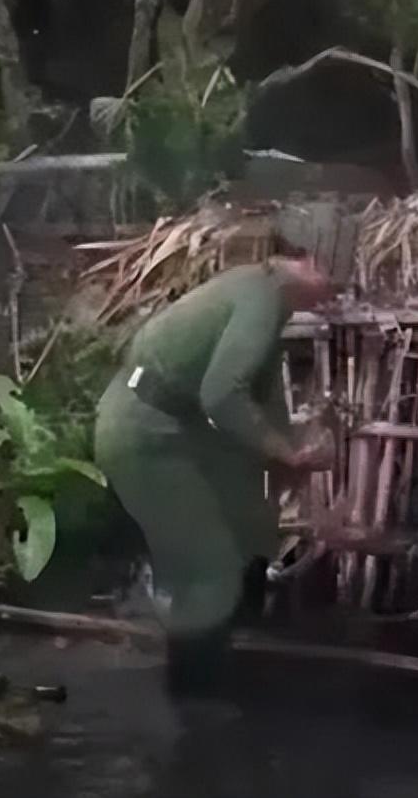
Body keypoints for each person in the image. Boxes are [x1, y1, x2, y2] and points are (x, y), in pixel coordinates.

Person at [94, 255, 333, 693]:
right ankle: (194, 699)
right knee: (208, 567)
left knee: (250, 526)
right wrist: (288, 454)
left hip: (168, 429)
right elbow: (222, 397)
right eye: (329, 276)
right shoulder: (264, 293)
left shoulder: (262, 299)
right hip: (147, 432)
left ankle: (229, 663)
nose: (334, 289)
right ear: (306, 263)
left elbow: (262, 402)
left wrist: (286, 456)